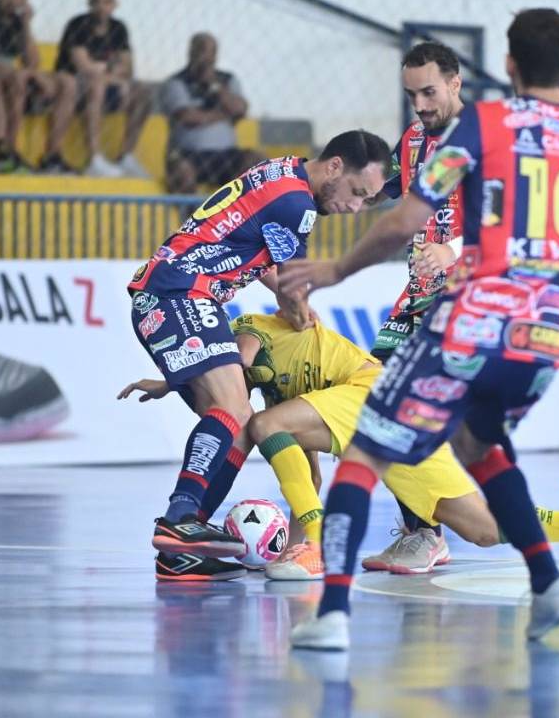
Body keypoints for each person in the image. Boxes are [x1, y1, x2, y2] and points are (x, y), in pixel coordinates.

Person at [279, 10, 559, 650]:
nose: (419, 105)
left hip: (470, 320)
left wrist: (334, 268)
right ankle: (550, 584)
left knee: (366, 444)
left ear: (509, 69)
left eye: (427, 92)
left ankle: (333, 612)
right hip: (542, 340)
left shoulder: (486, 126)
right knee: (478, 444)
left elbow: (402, 220)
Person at [120, 312, 559, 582]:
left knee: (259, 425)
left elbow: (234, 365)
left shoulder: (252, 328)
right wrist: (301, 518)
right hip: (395, 413)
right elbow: (302, 467)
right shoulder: (295, 409)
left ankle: (319, 548)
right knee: (485, 529)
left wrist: (173, 380)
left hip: (370, 392)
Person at [126, 131, 390, 579]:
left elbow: (258, 255)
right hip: (181, 292)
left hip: (177, 292)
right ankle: (180, 520)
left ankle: (181, 549)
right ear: (334, 167)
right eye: (357, 193)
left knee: (241, 422)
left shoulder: (285, 174)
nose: (354, 208)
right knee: (231, 408)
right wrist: (302, 315)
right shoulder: (298, 206)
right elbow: (291, 286)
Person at [0, 0, 78, 174]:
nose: (17, 1)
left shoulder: (17, 20)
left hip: (15, 73)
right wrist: (31, 74)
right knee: (18, 77)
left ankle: (52, 155)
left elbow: (33, 61)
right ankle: (8, 151)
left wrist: (26, 24)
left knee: (67, 82)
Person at [55, 0, 153, 178]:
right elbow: (83, 67)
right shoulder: (78, 24)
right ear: (90, 4)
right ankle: (94, 158)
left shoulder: (119, 28)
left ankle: (126, 155)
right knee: (97, 85)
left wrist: (113, 75)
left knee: (143, 91)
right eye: (97, 2)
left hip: (108, 84)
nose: (101, 7)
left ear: (115, 5)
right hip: (76, 87)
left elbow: (127, 67)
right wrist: (114, 75)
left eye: (107, 2)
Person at [161, 33, 265, 194]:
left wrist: (214, 86)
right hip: (189, 154)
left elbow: (240, 109)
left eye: (211, 51)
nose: (206, 57)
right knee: (181, 170)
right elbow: (187, 117)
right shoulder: (177, 82)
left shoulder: (228, 80)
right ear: (191, 52)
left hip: (225, 155)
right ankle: (194, 218)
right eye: (202, 50)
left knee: (256, 160)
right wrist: (224, 115)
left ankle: (240, 215)